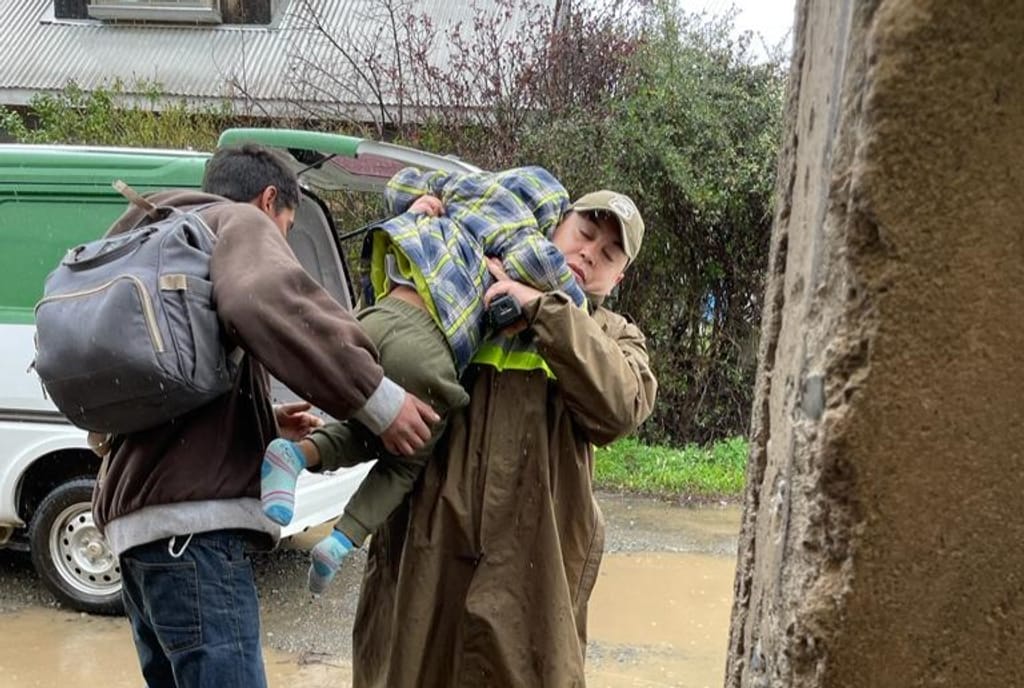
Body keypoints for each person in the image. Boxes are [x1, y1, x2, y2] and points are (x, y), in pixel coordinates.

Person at [90, 143, 439, 688]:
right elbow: (264, 299)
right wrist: (381, 401)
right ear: (269, 199)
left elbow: (163, 390)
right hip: (195, 536)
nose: (282, 241)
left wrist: (264, 420)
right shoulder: (236, 222)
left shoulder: (159, 236)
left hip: (134, 535)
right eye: (288, 227)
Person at [351, 188, 658, 688]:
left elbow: (620, 409)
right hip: (424, 558)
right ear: (555, 225)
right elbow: (373, 345)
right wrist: (412, 244)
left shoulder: (611, 333)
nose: (588, 254)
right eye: (584, 234)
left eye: (607, 254)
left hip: (532, 581)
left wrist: (544, 311)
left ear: (618, 277)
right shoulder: (460, 281)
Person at [259, 165, 592, 594]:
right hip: (427, 348)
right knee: (406, 456)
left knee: (371, 426)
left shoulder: (454, 197)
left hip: (370, 323)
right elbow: (569, 298)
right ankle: (342, 540)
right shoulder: (522, 237)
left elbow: (401, 182)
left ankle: (295, 455)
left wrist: (418, 205)